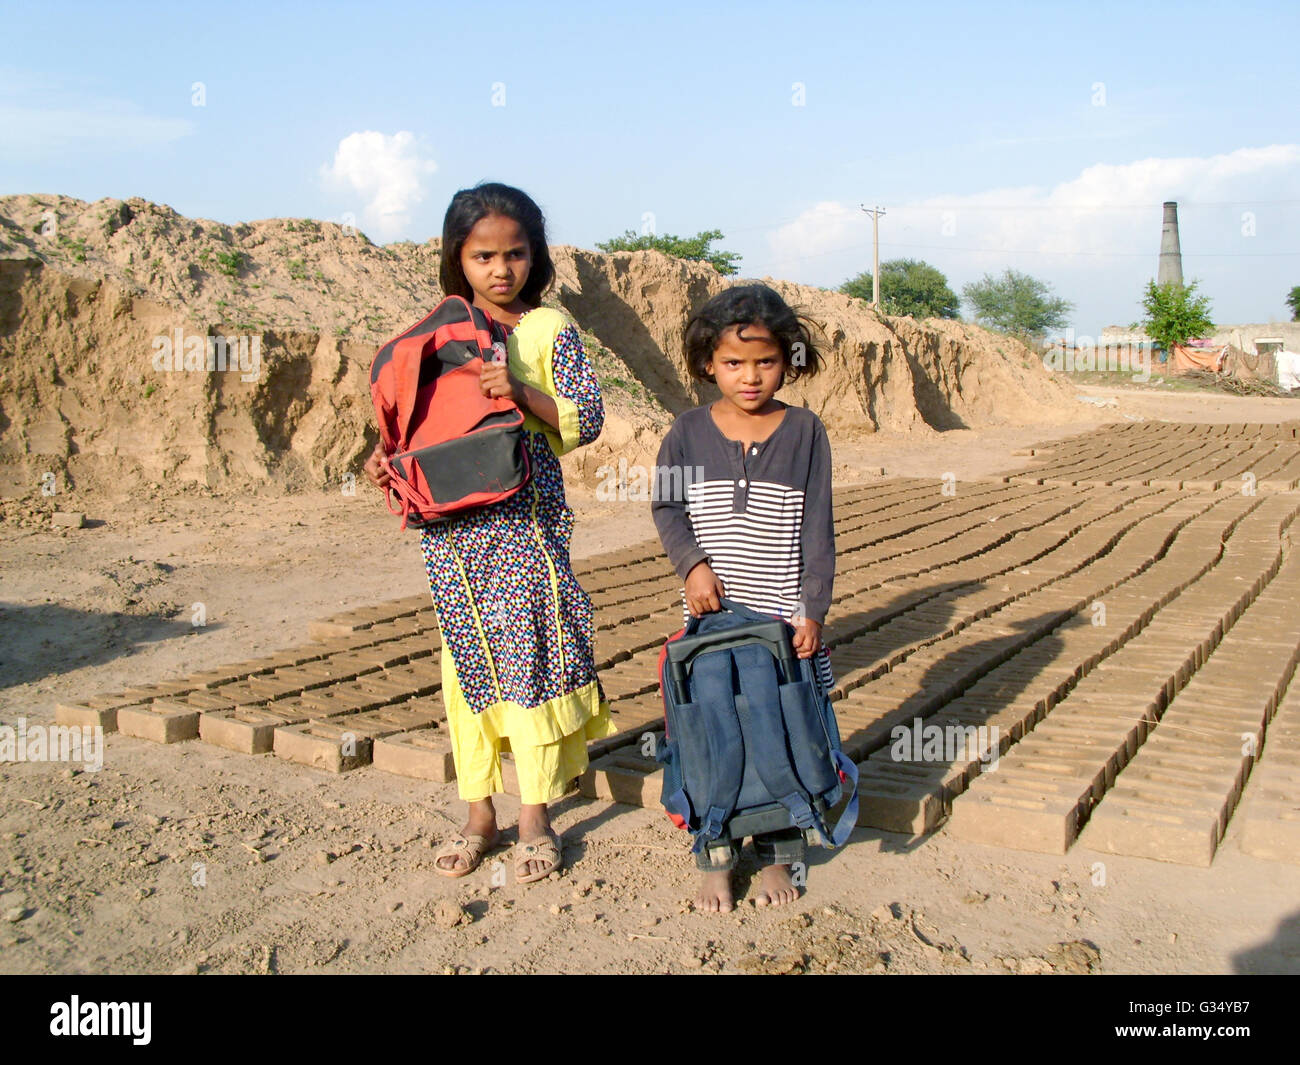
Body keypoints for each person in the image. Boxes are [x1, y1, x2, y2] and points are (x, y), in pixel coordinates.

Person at [363, 182, 613, 884]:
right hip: (454, 527)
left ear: (535, 256)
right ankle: (478, 811)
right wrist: (386, 456)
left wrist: (520, 392)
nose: (501, 270)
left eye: (515, 254)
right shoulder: (440, 334)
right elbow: (410, 420)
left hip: (525, 518)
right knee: (465, 659)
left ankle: (534, 813)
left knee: (529, 653)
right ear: (457, 258)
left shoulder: (548, 329)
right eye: (483, 256)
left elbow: (586, 416)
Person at [650, 283, 835, 912]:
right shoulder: (686, 432)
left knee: (778, 727)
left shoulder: (805, 432)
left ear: (789, 360)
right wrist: (693, 566)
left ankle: (782, 852)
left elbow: (817, 526)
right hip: (711, 623)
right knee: (713, 732)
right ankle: (716, 855)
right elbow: (669, 507)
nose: (750, 376)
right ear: (708, 363)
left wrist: (812, 608)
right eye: (733, 362)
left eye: (765, 361)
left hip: (779, 622)